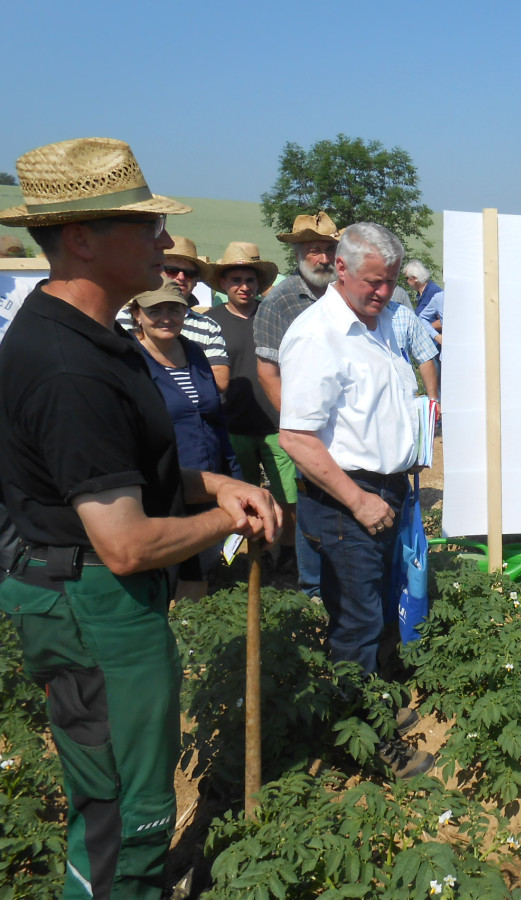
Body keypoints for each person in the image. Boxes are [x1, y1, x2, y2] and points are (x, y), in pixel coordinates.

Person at [0, 136, 279, 900]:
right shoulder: (68, 371)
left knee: (124, 799)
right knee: (129, 812)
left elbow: (127, 472)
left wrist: (214, 482)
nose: (165, 242)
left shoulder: (97, 337)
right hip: (92, 604)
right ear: (81, 239)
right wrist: (228, 523)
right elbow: (125, 544)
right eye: (145, 226)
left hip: (93, 597)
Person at [278, 223, 438, 779]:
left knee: (378, 613)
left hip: (386, 491)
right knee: (357, 623)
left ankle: (375, 708)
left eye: (392, 281)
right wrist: (358, 500)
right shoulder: (316, 335)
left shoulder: (386, 323)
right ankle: (359, 742)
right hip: (346, 500)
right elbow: (297, 438)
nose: (385, 292)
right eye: (374, 281)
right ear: (340, 269)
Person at [127, 286, 241, 599]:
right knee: (162, 575)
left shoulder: (193, 352)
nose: (166, 318)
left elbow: (216, 420)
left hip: (207, 481)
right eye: (155, 310)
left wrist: (235, 478)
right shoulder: (129, 360)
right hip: (160, 490)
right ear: (137, 314)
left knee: (199, 569)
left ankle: (192, 643)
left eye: (174, 310)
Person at [254, 211, 340, 596]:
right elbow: (268, 373)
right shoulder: (281, 300)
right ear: (298, 254)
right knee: (309, 506)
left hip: (345, 426)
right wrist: (298, 427)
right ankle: (312, 590)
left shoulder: (345, 293)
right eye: (313, 250)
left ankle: (343, 582)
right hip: (305, 429)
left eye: (327, 249)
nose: (321, 258)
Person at [205, 243, 306, 573]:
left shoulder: (272, 315)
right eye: (236, 279)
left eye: (249, 279)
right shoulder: (209, 322)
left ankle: (288, 553)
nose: (244, 286)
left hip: (278, 424)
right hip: (232, 426)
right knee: (242, 498)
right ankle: (251, 558)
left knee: (288, 496)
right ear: (223, 283)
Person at [115, 233, 231, 392]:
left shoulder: (209, 326)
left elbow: (221, 381)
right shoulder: (123, 318)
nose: (181, 277)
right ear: (157, 270)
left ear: (196, 281)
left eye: (189, 273)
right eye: (171, 270)